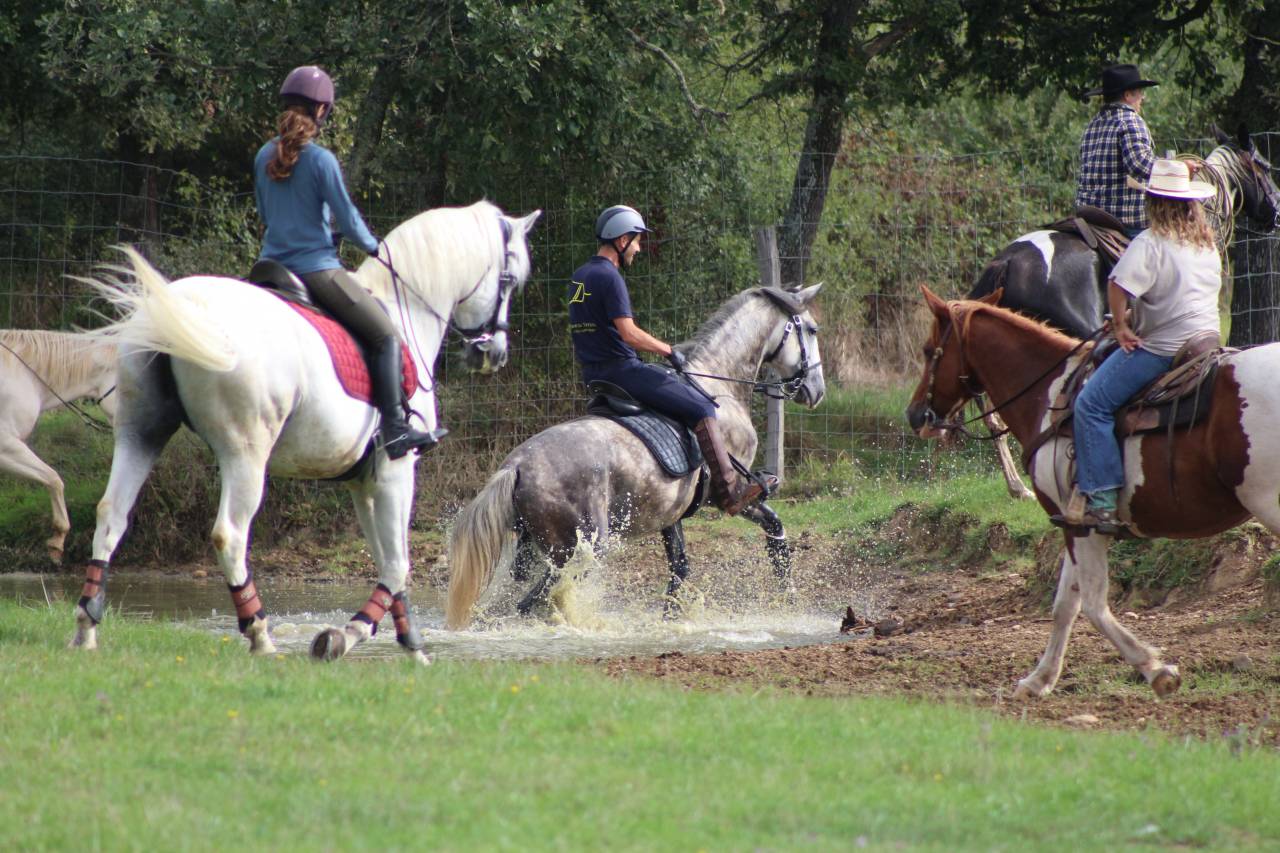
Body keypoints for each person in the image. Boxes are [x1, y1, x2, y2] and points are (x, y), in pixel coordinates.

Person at [254, 65, 438, 460]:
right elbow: (348, 217)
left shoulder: (262, 156)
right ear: (321, 111)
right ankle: (395, 430)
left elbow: (266, 214)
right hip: (316, 271)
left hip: (267, 268)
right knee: (386, 336)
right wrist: (373, 247)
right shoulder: (321, 161)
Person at [567, 205, 768, 515]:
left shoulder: (580, 277)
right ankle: (730, 491)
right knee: (702, 407)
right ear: (621, 240)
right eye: (635, 240)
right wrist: (668, 350)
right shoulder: (610, 278)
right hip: (622, 371)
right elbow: (629, 334)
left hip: (593, 373)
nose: (638, 248)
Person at [1068, 159, 1221, 533]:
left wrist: (1121, 325)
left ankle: (1102, 500)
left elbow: (1118, 286)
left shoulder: (1150, 243)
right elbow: (1179, 296)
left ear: (1154, 202)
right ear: (1190, 204)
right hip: (1208, 342)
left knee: (1091, 404)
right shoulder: (1207, 244)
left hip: (1165, 349)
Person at [1076, 63, 1159, 237]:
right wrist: (1177, 170)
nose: (1142, 98)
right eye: (1139, 93)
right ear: (1128, 95)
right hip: (1125, 219)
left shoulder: (1093, 123)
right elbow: (1139, 164)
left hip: (1089, 215)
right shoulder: (1131, 120)